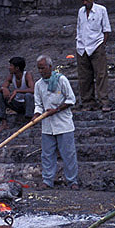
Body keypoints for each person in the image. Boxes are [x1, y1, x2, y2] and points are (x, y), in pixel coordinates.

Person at [33, 54, 78, 189]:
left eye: (43, 68)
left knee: (68, 154)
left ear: (50, 67)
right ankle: (47, 181)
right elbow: (38, 104)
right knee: (47, 155)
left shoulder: (62, 80)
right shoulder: (38, 84)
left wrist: (56, 109)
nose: (41, 71)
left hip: (63, 124)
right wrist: (36, 114)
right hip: (47, 126)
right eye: (39, 68)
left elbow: (71, 99)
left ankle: (72, 181)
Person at [75, 0, 112, 110]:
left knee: (101, 75)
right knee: (84, 76)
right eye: (83, 0)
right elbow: (79, 28)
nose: (85, 3)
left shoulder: (101, 10)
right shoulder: (81, 11)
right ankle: (87, 102)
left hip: (97, 45)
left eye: (87, 0)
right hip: (82, 47)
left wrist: (102, 45)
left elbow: (106, 30)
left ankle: (103, 101)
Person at [0, 56, 35, 133]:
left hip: (26, 104)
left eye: (11, 66)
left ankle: (29, 121)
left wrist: (17, 91)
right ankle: (4, 123)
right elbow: (2, 87)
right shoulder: (11, 76)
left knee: (28, 95)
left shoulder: (27, 75)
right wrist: (4, 89)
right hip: (16, 103)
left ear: (17, 68)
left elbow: (33, 90)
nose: (9, 68)